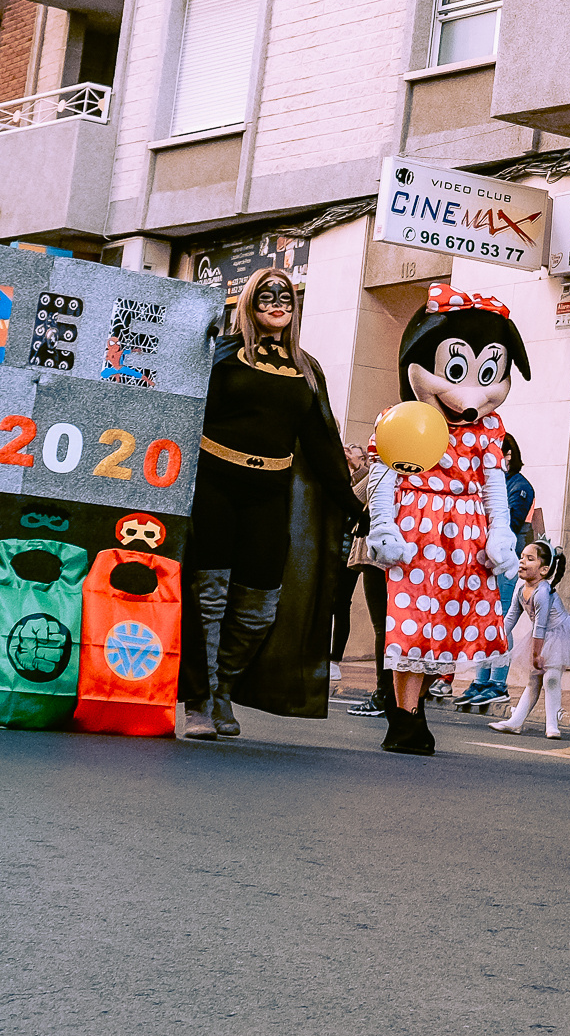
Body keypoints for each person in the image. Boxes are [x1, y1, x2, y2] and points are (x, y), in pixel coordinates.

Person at [182, 269, 364, 741]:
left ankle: (224, 686)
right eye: (267, 294)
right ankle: (201, 700)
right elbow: (185, 415)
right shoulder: (220, 355)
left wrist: (352, 503)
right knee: (209, 599)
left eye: (287, 295)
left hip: (270, 491)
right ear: (249, 301)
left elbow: (322, 442)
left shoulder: (306, 369)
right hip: (214, 484)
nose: (278, 302)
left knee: (260, 606)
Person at [366, 285, 527, 756]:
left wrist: (501, 531)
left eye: (488, 374)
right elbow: (384, 474)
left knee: (448, 626)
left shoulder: (488, 431)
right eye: (456, 371)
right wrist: (384, 525)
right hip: (416, 531)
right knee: (411, 624)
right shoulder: (403, 418)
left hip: (466, 536)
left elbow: (493, 482)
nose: (470, 394)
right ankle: (405, 716)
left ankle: (414, 711)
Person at [459, 434, 537, 714]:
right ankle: (481, 682)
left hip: (505, 560)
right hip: (484, 560)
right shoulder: (490, 482)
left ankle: (498, 683)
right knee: (483, 622)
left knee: (501, 623)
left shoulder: (520, 486)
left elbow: (511, 523)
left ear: (508, 455)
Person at [490, 542, 570, 738]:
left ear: (544, 570)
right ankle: (515, 721)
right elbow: (511, 617)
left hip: (558, 634)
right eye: (522, 557)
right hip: (541, 636)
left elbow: (540, 626)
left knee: (551, 677)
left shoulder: (542, 592)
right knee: (534, 679)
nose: (522, 561)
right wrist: (498, 638)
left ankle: (552, 724)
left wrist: (536, 654)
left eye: (530, 559)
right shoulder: (520, 587)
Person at [331, 444, 387, 693]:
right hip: (360, 550)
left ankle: (383, 692)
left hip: (368, 552)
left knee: (380, 625)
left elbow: (353, 499)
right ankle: (387, 692)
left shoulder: (378, 471)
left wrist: (362, 466)